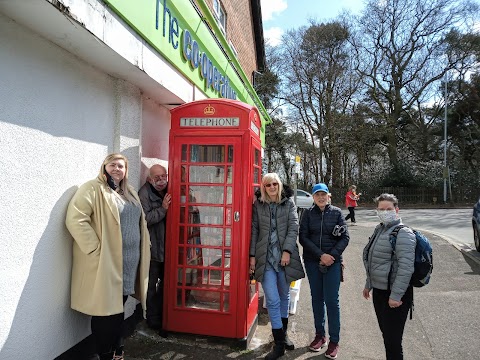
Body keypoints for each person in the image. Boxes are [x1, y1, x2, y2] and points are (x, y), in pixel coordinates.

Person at [65, 153, 150, 360]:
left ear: (125, 170)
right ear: (104, 167)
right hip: (107, 262)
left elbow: (138, 221)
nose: (117, 169)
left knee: (117, 308)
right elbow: (76, 218)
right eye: (112, 165)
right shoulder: (92, 189)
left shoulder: (128, 191)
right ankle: (104, 354)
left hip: (129, 262)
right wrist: (95, 248)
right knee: (104, 311)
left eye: (121, 166)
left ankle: (117, 349)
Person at [249, 173, 305, 360]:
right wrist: (252, 256)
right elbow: (254, 229)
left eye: (274, 184)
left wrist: (287, 251)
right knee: (272, 299)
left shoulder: (288, 203)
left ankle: (282, 334)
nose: (271, 187)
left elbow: (293, 227)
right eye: (267, 185)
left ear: (279, 185)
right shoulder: (258, 204)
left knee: (284, 297)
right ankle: (279, 344)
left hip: (284, 258)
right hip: (265, 258)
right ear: (263, 187)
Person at [362, 193, 416, 360]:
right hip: (379, 292)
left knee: (393, 342)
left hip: (395, 296)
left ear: (397, 210)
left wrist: (395, 296)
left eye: (389, 209)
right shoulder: (380, 229)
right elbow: (374, 261)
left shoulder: (403, 233)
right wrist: (368, 284)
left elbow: (406, 268)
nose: (385, 212)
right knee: (387, 338)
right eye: (381, 209)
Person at [299, 183, 349, 359]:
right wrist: (321, 255)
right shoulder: (307, 214)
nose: (320, 197)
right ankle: (320, 335)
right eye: (317, 194)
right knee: (317, 299)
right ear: (313, 197)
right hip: (313, 262)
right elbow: (303, 237)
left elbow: (345, 237)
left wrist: (331, 256)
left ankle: (334, 341)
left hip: (333, 263)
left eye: (323, 194)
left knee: (331, 301)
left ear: (329, 196)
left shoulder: (336, 213)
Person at [138, 164, 171, 337]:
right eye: (157, 178)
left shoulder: (170, 187)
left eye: (163, 176)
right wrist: (163, 209)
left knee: (168, 284)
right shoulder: (144, 194)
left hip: (169, 247)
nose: (161, 180)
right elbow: (145, 220)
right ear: (149, 179)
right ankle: (153, 318)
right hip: (153, 248)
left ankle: (166, 314)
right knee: (151, 286)